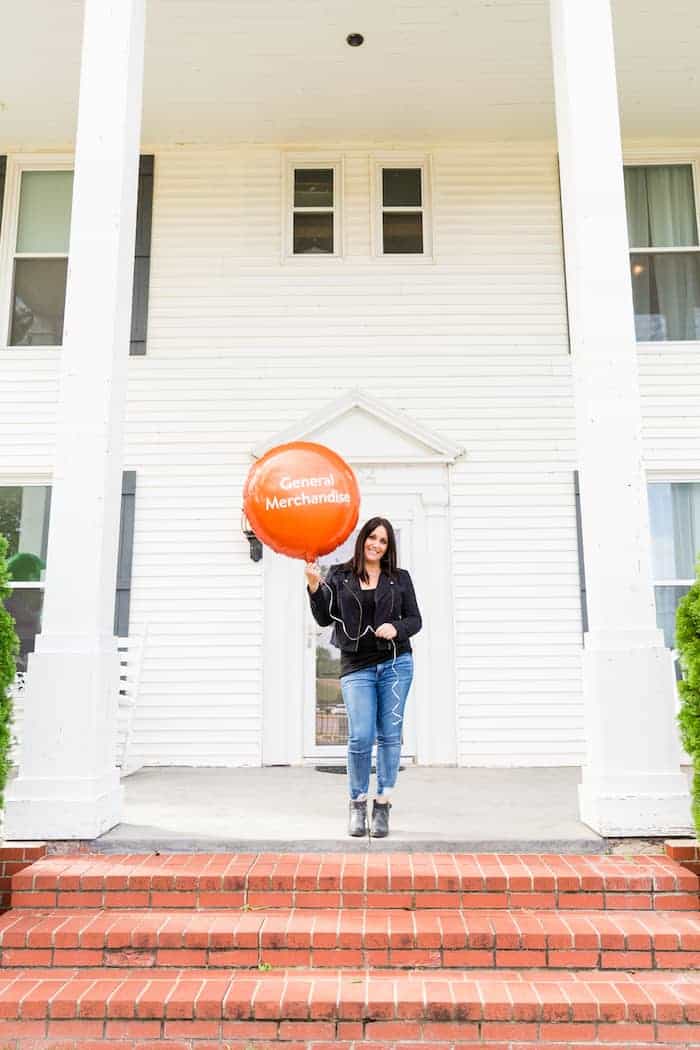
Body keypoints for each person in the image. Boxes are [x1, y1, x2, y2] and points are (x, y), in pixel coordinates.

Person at [305, 517, 422, 838]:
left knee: (389, 735)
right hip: (357, 665)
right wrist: (314, 586)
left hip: (396, 663)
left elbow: (415, 620)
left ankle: (382, 802)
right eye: (372, 538)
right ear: (363, 540)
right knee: (360, 736)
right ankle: (357, 802)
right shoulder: (340, 575)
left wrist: (397, 628)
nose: (376, 545)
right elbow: (323, 617)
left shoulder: (399, 578)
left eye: (383, 541)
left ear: (388, 547)